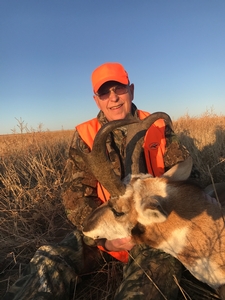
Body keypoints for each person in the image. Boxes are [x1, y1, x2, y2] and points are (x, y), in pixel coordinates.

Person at [3, 62, 196, 300]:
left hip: (152, 232)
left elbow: (187, 180)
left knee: (149, 285)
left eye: (119, 89)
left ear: (131, 90)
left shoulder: (158, 125)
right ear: (97, 100)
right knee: (50, 261)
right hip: (105, 228)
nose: (113, 98)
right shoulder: (85, 135)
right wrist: (107, 241)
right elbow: (75, 197)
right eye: (105, 92)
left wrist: (157, 222)